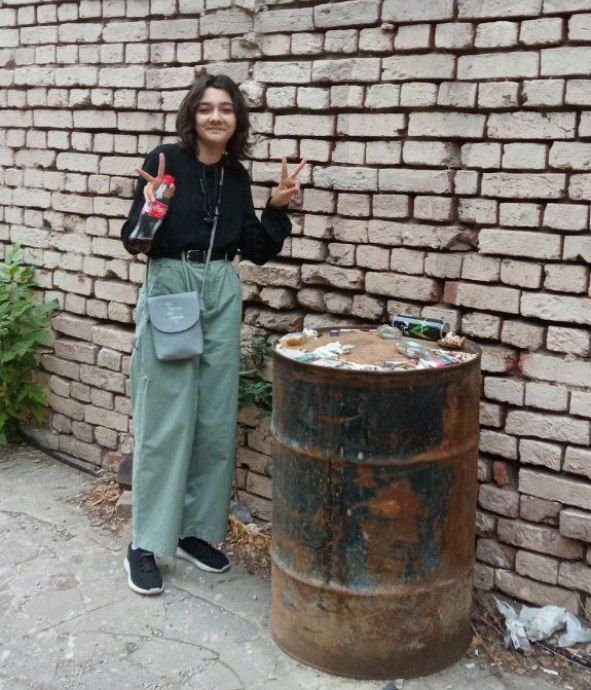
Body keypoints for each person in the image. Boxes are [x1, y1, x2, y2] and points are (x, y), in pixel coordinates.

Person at [120, 73, 305, 595]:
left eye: (226, 108)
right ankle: (144, 542)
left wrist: (276, 208)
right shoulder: (166, 161)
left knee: (214, 417)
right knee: (165, 417)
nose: (216, 117)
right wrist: (153, 204)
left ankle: (194, 532)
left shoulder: (236, 175)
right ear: (192, 115)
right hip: (172, 286)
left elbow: (256, 249)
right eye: (206, 108)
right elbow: (135, 242)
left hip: (221, 287)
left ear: (237, 119)